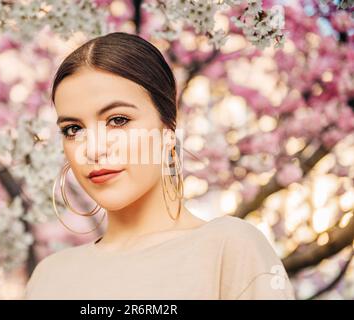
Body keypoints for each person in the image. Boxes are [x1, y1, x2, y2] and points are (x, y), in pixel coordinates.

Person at [24, 32, 295, 300]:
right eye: (73, 129)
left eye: (118, 120)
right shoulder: (49, 277)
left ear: (167, 129)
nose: (93, 149)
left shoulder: (230, 248)